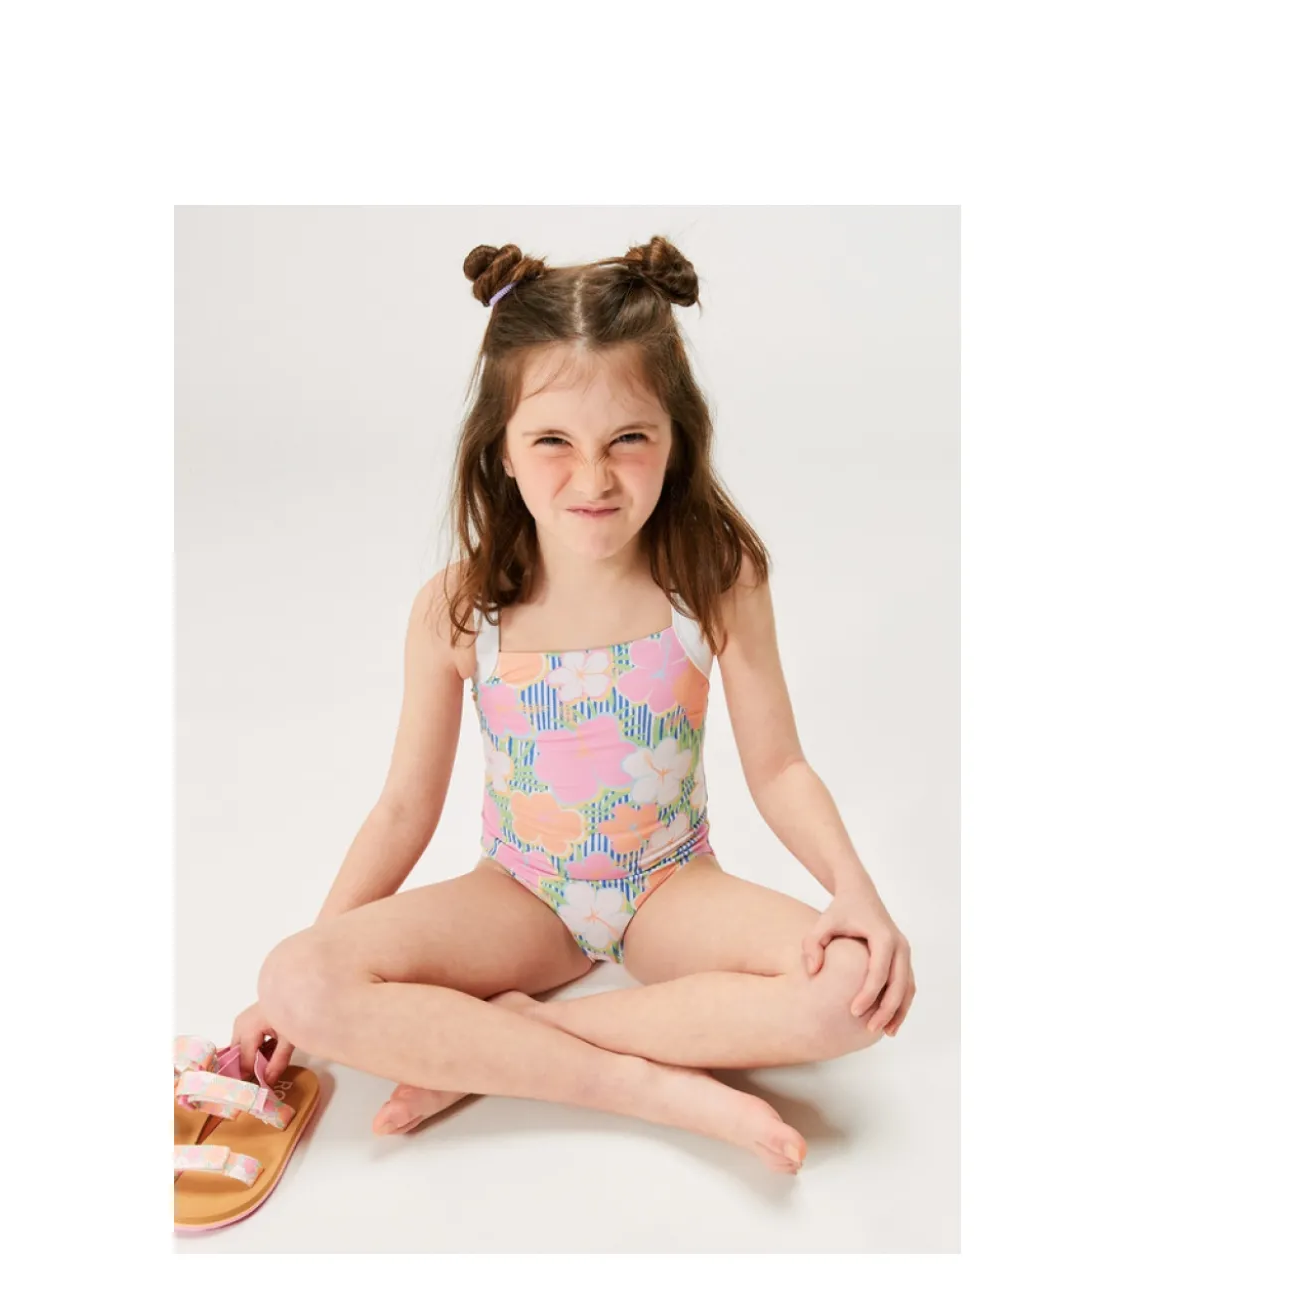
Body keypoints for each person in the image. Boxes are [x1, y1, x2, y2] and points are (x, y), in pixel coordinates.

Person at [230, 236, 915, 1173]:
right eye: (553, 441)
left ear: (675, 440)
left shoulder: (713, 581)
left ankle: (501, 1045)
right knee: (297, 978)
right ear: (502, 450)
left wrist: (855, 891)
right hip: (519, 896)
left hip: (670, 887)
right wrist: (309, 970)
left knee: (855, 987)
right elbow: (402, 809)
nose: (593, 479)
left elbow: (781, 766)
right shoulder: (459, 609)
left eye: (628, 439)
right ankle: (646, 1086)